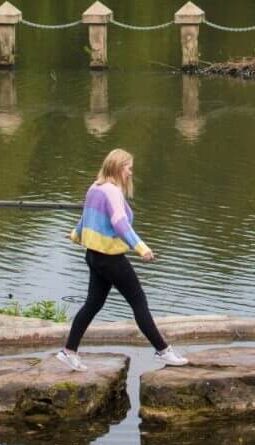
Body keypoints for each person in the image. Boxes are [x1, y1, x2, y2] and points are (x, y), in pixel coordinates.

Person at [55, 148, 187, 371]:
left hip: (93, 257)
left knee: (93, 304)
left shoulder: (94, 187)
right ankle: (163, 351)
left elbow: (85, 218)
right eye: (129, 168)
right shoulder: (113, 192)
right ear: (118, 167)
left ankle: (69, 351)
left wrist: (76, 235)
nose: (130, 173)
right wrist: (141, 248)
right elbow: (119, 223)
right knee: (139, 302)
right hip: (111, 260)